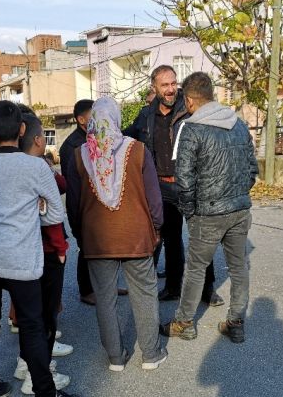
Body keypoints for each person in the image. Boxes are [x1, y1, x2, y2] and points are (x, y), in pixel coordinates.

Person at [0, 100, 73, 397]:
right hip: (20, 257)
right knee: (32, 324)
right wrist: (35, 210)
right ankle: (44, 390)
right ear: (23, 128)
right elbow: (55, 213)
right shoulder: (35, 167)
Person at [67, 96, 168, 372]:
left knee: (105, 298)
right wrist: (157, 227)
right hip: (136, 236)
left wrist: (80, 236)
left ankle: (116, 357)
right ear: (116, 119)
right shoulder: (137, 150)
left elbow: (73, 205)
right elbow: (154, 198)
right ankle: (151, 354)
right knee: (145, 294)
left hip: (97, 240)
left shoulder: (79, 155)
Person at [160, 72, 258, 343]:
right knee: (239, 268)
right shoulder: (239, 125)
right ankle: (236, 323)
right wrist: (237, 195)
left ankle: (184, 323)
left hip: (207, 213)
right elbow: (252, 171)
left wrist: (190, 212)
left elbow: (184, 180)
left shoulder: (190, 129)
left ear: (189, 100)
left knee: (195, 268)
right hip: (239, 209)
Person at [124, 65, 222, 307]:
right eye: (164, 85)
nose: (170, 90)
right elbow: (126, 137)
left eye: (173, 84)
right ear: (154, 87)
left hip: (190, 185)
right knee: (171, 239)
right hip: (161, 187)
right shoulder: (146, 115)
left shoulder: (190, 110)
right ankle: (173, 286)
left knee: (200, 239)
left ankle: (207, 289)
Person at [12, 113, 74, 395]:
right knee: (44, 318)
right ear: (39, 140)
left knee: (30, 317)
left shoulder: (8, 166)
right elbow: (56, 206)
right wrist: (61, 248)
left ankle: (25, 364)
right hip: (46, 251)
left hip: (19, 251)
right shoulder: (39, 168)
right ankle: (39, 376)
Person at [59, 99, 128, 305]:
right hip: (84, 205)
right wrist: (76, 219)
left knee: (107, 248)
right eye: (94, 114)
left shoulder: (101, 137)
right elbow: (72, 186)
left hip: (103, 202)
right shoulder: (72, 146)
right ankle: (86, 290)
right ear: (81, 119)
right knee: (86, 249)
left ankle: (107, 285)